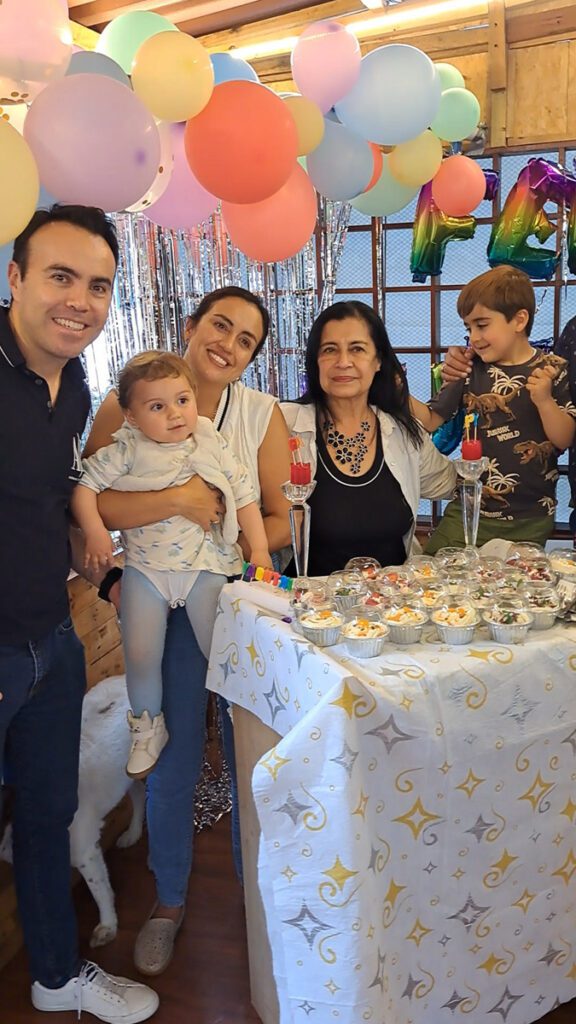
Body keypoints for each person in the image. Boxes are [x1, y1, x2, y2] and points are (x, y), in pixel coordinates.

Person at [85, 286, 291, 976]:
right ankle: (169, 901)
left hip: (224, 596)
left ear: (251, 357)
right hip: (154, 595)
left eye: (245, 340)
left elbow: (277, 516)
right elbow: (90, 504)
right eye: (220, 326)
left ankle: (260, 899)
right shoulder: (128, 400)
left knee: (249, 755)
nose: (227, 344)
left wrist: (235, 540)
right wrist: (179, 500)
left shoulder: (259, 415)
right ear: (193, 325)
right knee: (170, 759)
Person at [0, 205, 158, 1021]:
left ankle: (57, 978)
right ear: (16, 277)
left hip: (51, 640)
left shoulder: (75, 387)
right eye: (60, 276)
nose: (80, 301)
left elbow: (57, 501)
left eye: (98, 285)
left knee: (48, 816)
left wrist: (104, 561)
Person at [72, 350, 271, 778]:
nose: (175, 414)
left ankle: (241, 710)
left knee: (220, 647)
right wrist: (95, 531)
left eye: (182, 400)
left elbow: (244, 495)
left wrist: (258, 550)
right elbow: (84, 488)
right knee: (140, 653)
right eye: (157, 406)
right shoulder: (127, 449)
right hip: (146, 570)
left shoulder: (209, 441)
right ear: (131, 415)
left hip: (204, 567)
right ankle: (147, 726)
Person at [280, 300, 457, 576]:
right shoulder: (284, 424)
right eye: (329, 350)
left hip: (393, 598)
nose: (343, 362)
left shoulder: (402, 431)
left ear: (378, 361)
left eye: (357, 349)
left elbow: (453, 483)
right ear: (315, 362)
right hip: (307, 599)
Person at [411, 266, 576, 552]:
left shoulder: (553, 369)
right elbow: (431, 419)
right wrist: (393, 390)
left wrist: (544, 401)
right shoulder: (469, 369)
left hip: (531, 516)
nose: (474, 337)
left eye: (482, 325)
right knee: (434, 567)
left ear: (519, 319)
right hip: (469, 508)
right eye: (469, 328)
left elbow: (564, 439)